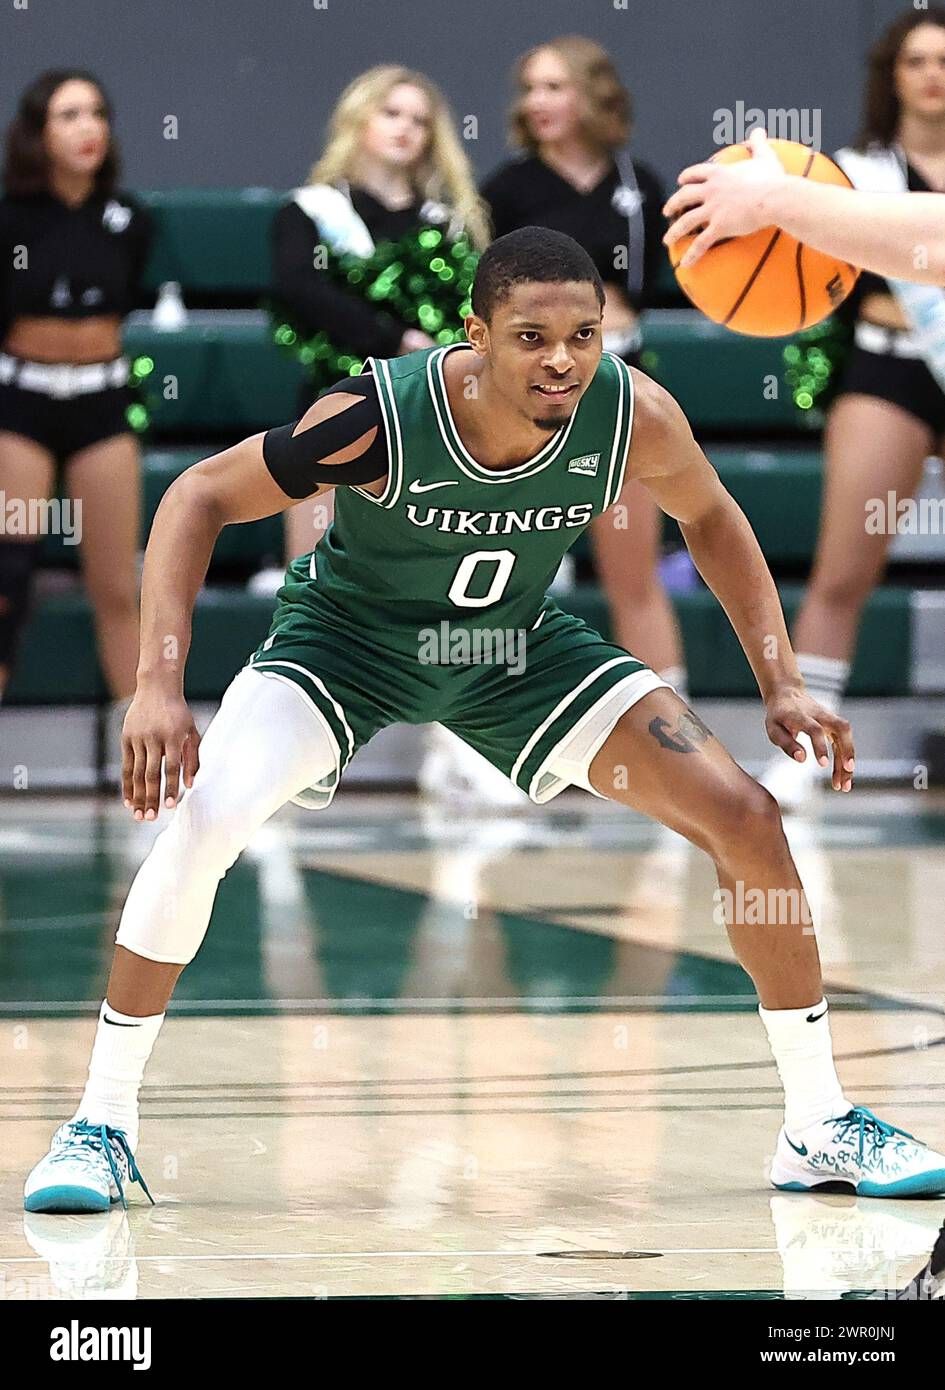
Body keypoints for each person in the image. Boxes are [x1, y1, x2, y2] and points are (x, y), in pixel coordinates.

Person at [23, 227, 945, 1214]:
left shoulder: (632, 415)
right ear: (476, 334)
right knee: (202, 827)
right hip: (346, 648)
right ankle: (102, 1122)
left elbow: (712, 517)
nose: (562, 359)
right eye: (532, 336)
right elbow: (200, 496)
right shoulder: (377, 415)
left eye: (583, 334)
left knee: (749, 818)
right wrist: (158, 685)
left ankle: (817, 1122)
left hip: (515, 652)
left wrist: (782, 679)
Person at [672, 13, 945, 806]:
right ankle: (806, 752)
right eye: (917, 60)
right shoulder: (853, 171)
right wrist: (778, 204)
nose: (932, 74)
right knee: (842, 567)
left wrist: (772, 197)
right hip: (891, 367)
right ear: (889, 74)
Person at [482, 36, 686, 699]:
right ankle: (477, 740)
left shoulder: (637, 183)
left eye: (553, 87)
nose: (537, 102)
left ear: (591, 95)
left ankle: (675, 733)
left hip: (615, 380)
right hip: (525, 393)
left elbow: (649, 287)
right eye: (529, 89)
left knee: (633, 572)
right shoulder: (505, 189)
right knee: (503, 577)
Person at [0, 70, 153, 755]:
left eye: (96, 113)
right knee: (7, 574)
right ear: (38, 133)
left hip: (101, 400)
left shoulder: (130, 219)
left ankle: (143, 754)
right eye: (68, 115)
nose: (87, 128)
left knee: (118, 584)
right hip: (22, 402)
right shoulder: (10, 219)